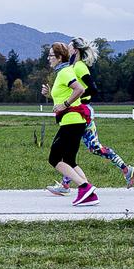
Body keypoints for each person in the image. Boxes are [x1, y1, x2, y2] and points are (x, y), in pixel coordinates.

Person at [47, 37, 134, 194]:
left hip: (81, 113)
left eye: (68, 48)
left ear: (75, 50)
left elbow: (92, 89)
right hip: (77, 112)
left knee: (93, 147)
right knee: (71, 152)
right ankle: (70, 185)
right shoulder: (72, 67)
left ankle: (125, 169)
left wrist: (76, 101)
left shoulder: (79, 67)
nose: (66, 50)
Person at [41, 42, 98, 206]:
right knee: (70, 160)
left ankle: (84, 187)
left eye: (51, 55)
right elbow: (63, 95)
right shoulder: (64, 72)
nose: (48, 58)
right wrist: (50, 93)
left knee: (54, 158)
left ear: (59, 58)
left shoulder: (65, 72)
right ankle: (89, 192)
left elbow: (79, 89)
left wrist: (65, 105)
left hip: (71, 122)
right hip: (73, 121)